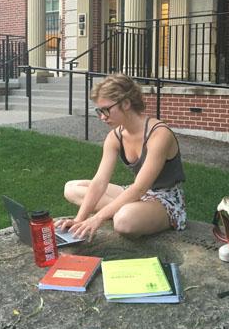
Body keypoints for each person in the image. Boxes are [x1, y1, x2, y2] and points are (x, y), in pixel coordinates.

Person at [56, 74, 186, 242]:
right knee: (71, 188)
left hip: (166, 200)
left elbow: (139, 188)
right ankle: (127, 208)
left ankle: (126, 210)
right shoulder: (115, 137)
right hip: (136, 193)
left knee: (124, 221)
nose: (102, 117)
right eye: (99, 111)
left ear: (126, 103)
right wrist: (80, 219)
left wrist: (98, 217)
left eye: (106, 110)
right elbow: (100, 181)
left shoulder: (159, 134)